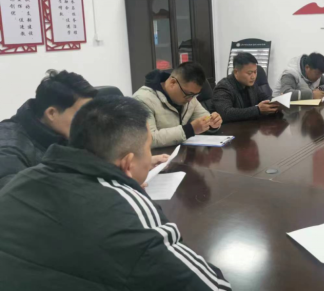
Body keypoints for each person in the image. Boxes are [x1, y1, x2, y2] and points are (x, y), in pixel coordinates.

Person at [0, 96, 229, 290]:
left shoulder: (19, 182)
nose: (149, 156)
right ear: (128, 163)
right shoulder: (128, 210)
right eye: (147, 148)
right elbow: (213, 287)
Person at [0, 70, 97, 189]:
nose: (87, 122)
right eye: (81, 115)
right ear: (51, 113)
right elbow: (14, 194)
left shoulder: (66, 134)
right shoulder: (8, 147)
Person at [133, 62, 222, 148]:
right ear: (172, 83)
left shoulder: (190, 98)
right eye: (188, 94)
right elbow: (148, 139)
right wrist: (189, 130)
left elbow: (203, 118)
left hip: (182, 153)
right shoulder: (142, 99)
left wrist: (212, 123)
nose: (190, 99)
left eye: (194, 95)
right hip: (158, 156)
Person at [213, 53, 278, 122]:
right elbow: (226, 113)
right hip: (232, 127)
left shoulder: (251, 84)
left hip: (251, 126)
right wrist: (257, 109)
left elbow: (265, 98)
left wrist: (277, 102)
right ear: (236, 72)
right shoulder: (223, 87)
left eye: (255, 72)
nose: (253, 76)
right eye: (249, 73)